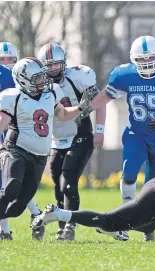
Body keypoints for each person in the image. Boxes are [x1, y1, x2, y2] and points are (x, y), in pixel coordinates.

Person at [74, 35, 155, 241]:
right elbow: (106, 96)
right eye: (141, 59)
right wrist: (84, 109)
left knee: (154, 187)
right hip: (137, 133)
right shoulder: (124, 74)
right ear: (133, 59)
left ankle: (147, 229)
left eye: (150, 58)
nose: (146, 63)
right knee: (129, 170)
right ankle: (123, 220)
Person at [0, 57, 86, 240]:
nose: (43, 80)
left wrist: (81, 107)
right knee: (11, 187)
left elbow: (62, 115)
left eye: (42, 76)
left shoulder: (51, 93)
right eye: (37, 77)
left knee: (17, 207)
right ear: (23, 79)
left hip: (39, 156)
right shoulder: (13, 97)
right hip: (16, 149)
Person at [36, 43, 106, 241]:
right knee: (58, 186)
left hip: (80, 135)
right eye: (48, 66)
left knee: (68, 182)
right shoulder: (39, 84)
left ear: (64, 63)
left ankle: (70, 226)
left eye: (56, 65)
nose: (52, 70)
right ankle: (61, 227)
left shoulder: (78, 76)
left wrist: (100, 130)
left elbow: (101, 101)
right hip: (56, 140)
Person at [0, 43, 54, 240]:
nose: (6, 64)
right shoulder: (9, 91)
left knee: (16, 195)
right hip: (12, 142)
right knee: (9, 186)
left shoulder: (32, 86)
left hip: (25, 141)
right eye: (2, 59)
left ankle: (32, 214)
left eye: (10, 60)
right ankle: (4, 231)